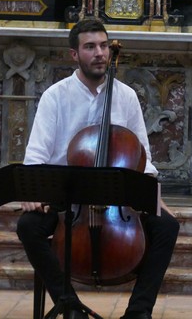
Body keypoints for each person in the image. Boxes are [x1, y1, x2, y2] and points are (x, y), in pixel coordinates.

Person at [16, 18, 180, 319]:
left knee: (168, 226)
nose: (100, 53)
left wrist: (152, 195)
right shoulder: (56, 96)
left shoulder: (127, 96)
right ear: (74, 55)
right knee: (27, 227)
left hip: (117, 199)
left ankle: (138, 312)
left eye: (104, 46)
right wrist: (31, 191)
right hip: (66, 200)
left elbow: (143, 158)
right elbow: (36, 154)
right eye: (90, 47)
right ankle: (68, 304)